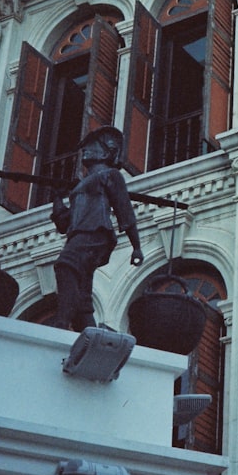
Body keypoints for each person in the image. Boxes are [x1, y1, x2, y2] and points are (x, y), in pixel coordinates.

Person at [49, 126, 143, 331]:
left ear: (107, 152)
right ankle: (86, 326)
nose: (86, 150)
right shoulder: (79, 187)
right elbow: (64, 223)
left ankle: (63, 321)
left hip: (95, 233)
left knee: (65, 265)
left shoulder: (110, 175)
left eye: (92, 146)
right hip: (80, 234)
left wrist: (136, 246)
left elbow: (124, 210)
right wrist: (57, 197)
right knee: (82, 284)